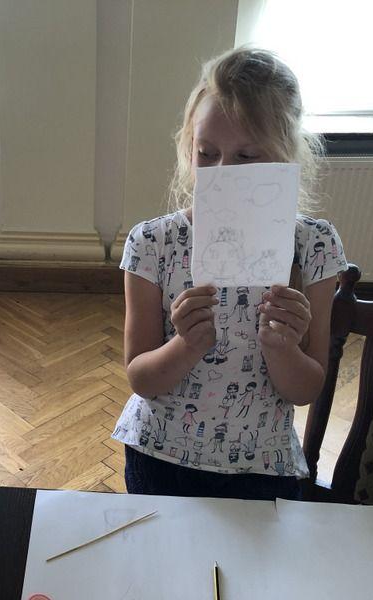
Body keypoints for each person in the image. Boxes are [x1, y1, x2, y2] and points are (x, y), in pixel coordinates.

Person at [112, 47, 347, 500]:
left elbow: (306, 389)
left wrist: (282, 348)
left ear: (284, 156)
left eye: (246, 156)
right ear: (189, 149)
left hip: (263, 465)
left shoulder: (313, 246)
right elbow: (141, 378)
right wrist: (185, 345)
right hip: (160, 458)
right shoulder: (152, 244)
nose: (224, 173)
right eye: (207, 153)